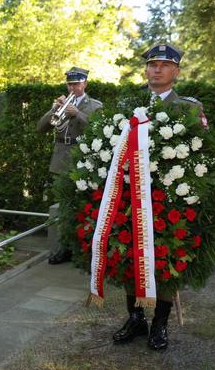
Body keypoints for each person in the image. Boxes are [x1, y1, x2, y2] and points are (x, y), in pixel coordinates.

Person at [113, 43, 204, 351]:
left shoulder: (189, 108)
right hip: (130, 197)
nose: (157, 69)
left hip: (169, 202)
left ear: (175, 71)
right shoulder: (130, 105)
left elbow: (202, 157)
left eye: (164, 65)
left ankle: (159, 324)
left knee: (167, 259)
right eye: (152, 64)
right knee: (129, 254)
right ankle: (135, 317)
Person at [38, 67, 103, 264]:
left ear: (85, 84)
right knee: (63, 207)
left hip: (84, 160)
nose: (73, 87)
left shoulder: (95, 106)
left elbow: (100, 129)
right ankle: (63, 248)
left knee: (85, 205)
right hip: (61, 161)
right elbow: (40, 128)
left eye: (76, 83)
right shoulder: (59, 104)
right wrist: (53, 109)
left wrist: (78, 114)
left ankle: (86, 249)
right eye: (70, 84)